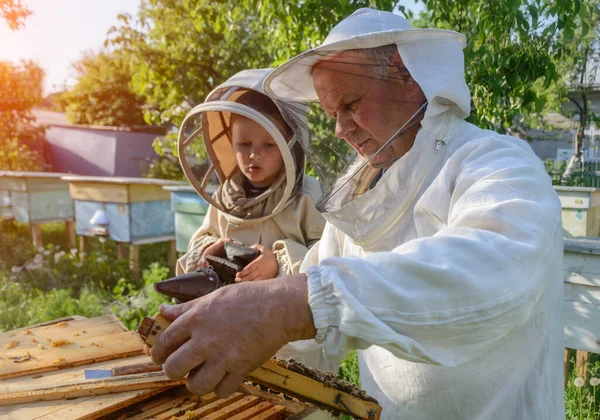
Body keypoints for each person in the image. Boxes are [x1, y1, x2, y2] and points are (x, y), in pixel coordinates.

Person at [150, 9, 564, 419]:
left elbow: (491, 278)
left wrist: (287, 306)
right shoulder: (365, 197)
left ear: (405, 74)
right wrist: (234, 317)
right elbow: (312, 326)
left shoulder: (496, 163)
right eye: (331, 115)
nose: (340, 129)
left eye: (350, 103)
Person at [176, 68, 325, 281]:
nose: (254, 155)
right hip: (230, 306)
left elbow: (328, 255)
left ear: (289, 143)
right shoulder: (225, 196)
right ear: (229, 139)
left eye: (269, 145)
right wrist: (210, 248)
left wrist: (278, 262)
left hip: (284, 309)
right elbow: (202, 239)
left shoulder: (307, 195)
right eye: (244, 144)